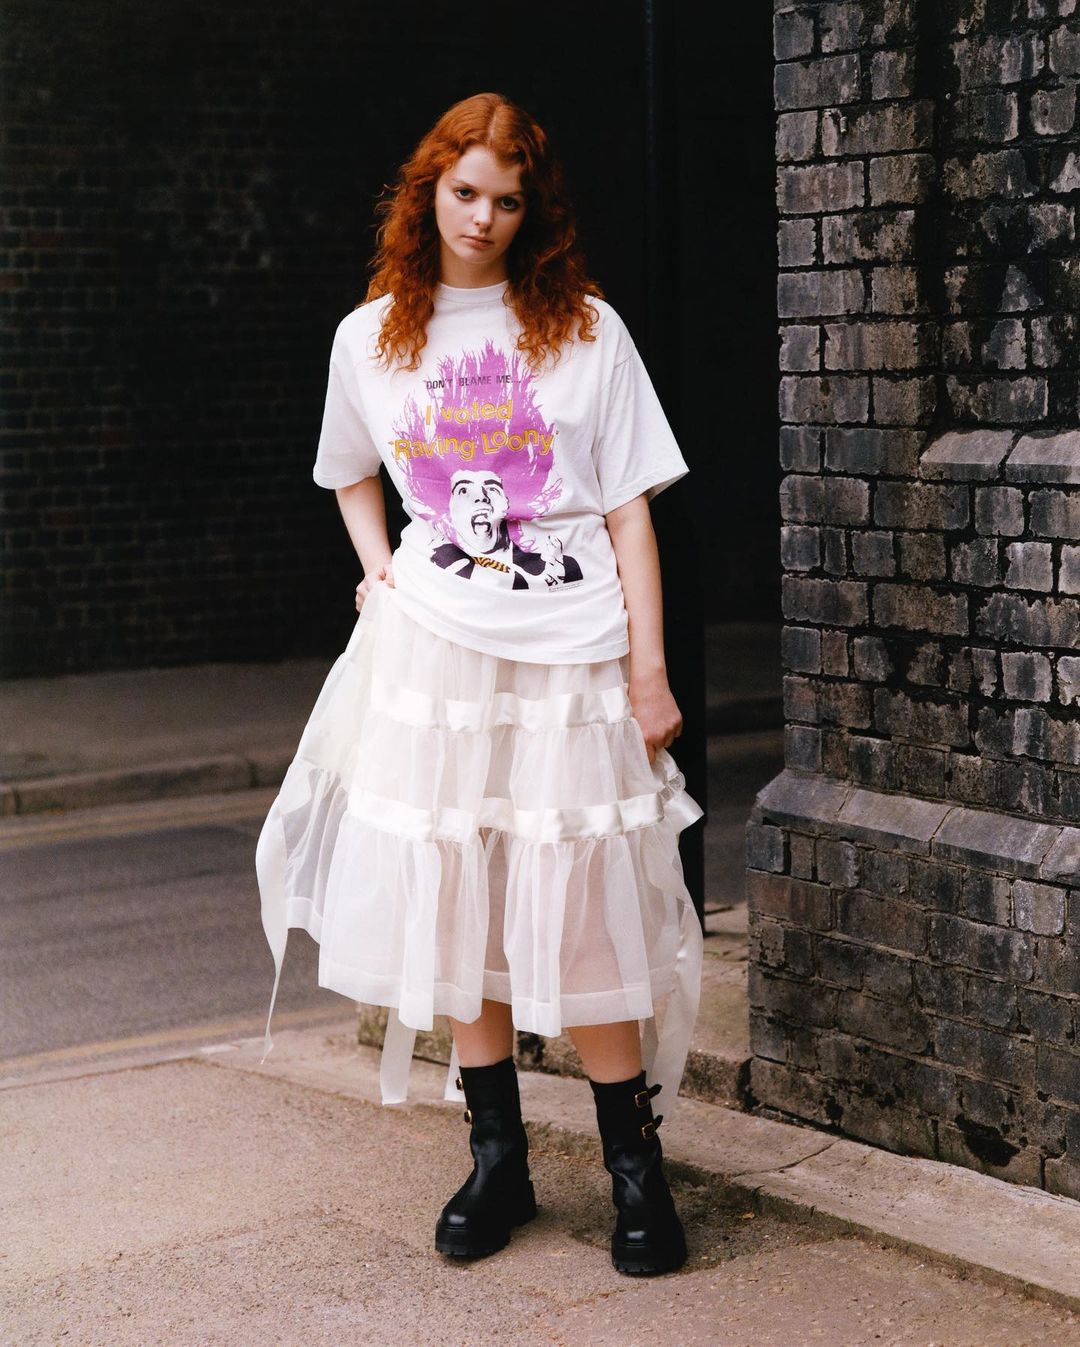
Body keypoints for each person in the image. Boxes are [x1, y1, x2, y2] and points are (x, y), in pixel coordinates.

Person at [256, 91, 704, 1277]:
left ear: (531, 209)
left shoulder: (588, 330)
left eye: (507, 200)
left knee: (584, 901)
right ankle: (498, 1160)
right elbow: (348, 471)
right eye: (464, 193)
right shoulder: (371, 338)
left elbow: (629, 511)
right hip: (437, 657)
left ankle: (635, 1170)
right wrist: (379, 573)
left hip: (573, 652)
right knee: (458, 890)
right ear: (428, 193)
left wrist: (650, 672)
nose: (483, 219)